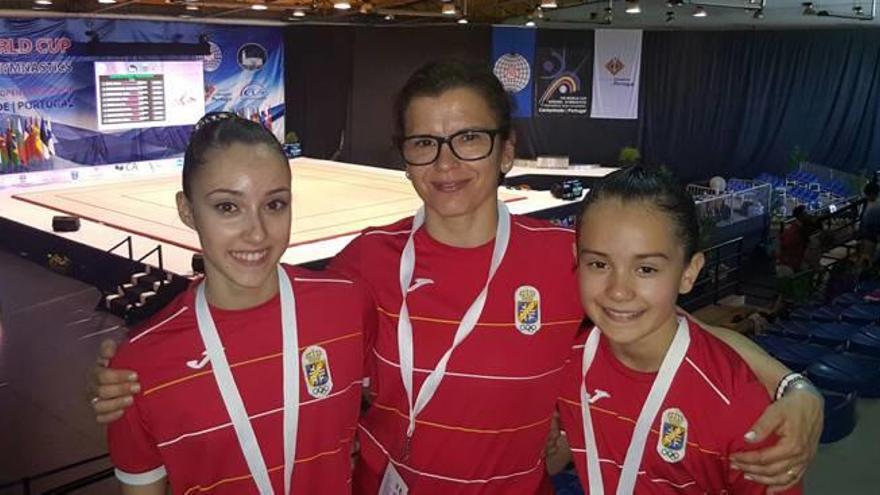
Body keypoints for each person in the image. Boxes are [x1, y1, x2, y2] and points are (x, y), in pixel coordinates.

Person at [92, 61, 822, 494]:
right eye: (425, 142)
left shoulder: (565, 261)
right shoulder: (361, 268)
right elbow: (253, 322)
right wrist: (133, 368)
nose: (446, 163)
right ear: (404, 157)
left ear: (506, 149)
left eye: (469, 138)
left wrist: (795, 385)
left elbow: (662, 320)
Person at [105, 113, 373, 494]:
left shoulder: (347, 305)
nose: (257, 232)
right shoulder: (136, 367)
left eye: (275, 204)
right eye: (228, 207)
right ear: (187, 210)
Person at [557, 166, 806, 493]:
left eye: (646, 269)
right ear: (577, 260)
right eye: (599, 264)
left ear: (689, 272)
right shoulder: (562, 362)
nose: (618, 290)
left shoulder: (739, 407)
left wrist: (800, 388)